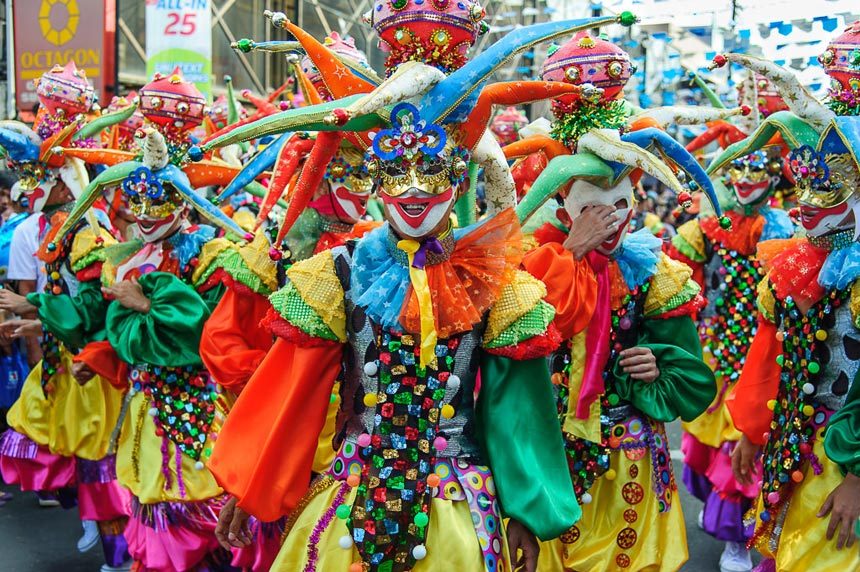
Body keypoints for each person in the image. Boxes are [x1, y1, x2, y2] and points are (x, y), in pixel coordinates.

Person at [705, 20, 860, 571]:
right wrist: (752, 430)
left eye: (829, 186)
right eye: (806, 184)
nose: (807, 203)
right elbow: (769, 353)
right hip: (800, 450)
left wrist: (858, 477)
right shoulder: (799, 265)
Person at [0, 61, 135, 571]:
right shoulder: (62, 225)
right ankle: (108, 544)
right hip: (71, 362)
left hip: (95, 369)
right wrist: (36, 320)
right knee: (77, 459)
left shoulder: (84, 231)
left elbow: (97, 303)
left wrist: (31, 306)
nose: (25, 187)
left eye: (35, 177)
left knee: (102, 470)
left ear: (61, 181)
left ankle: (118, 557)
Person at [669, 71, 795, 572]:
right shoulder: (708, 227)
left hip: (763, 364)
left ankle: (741, 540)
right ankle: (732, 533)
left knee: (743, 453)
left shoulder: (783, 229)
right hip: (718, 356)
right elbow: (679, 282)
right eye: (738, 170)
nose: (745, 180)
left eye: (757, 168)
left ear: (776, 173)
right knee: (707, 450)